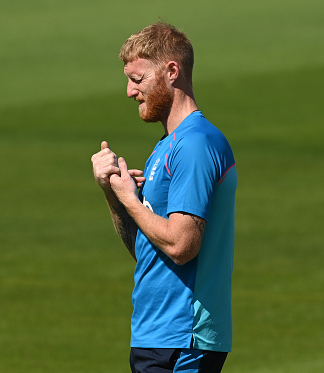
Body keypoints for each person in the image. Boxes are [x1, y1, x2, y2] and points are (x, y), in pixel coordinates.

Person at [91, 22, 237, 373]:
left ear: (172, 71)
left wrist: (131, 201)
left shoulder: (195, 144)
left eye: (138, 80)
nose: (129, 91)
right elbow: (148, 252)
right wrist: (114, 195)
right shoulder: (167, 147)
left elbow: (182, 245)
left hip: (183, 339)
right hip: (156, 335)